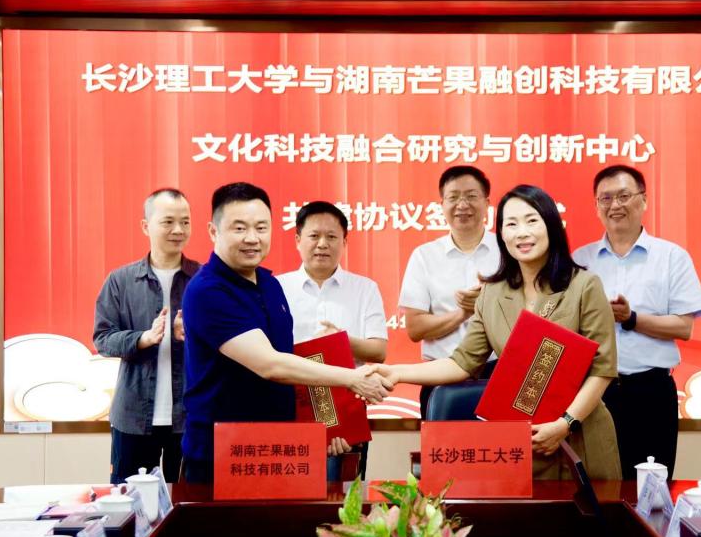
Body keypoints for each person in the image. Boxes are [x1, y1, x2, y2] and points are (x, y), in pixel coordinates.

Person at [377, 185, 621, 480]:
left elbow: (602, 370)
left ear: (551, 225)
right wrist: (396, 372)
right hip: (523, 441)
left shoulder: (584, 285)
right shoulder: (492, 294)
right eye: (511, 224)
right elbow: (462, 363)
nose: (522, 233)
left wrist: (565, 423)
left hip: (580, 436)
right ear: (501, 234)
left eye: (532, 221)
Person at [180, 182, 390, 483]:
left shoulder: (269, 284)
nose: (252, 238)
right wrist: (353, 378)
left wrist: (326, 427)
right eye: (239, 228)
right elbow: (271, 365)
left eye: (261, 227)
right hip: (224, 455)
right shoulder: (208, 291)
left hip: (277, 450)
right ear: (214, 231)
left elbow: (290, 364)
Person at [573, 164, 701, 481]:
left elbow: (684, 327)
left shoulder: (671, 257)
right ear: (596, 206)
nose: (615, 206)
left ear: (644, 200)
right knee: (597, 485)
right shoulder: (580, 260)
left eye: (623, 196)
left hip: (651, 391)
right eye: (606, 198)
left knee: (651, 488)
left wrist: (630, 319)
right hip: (595, 393)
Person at [93, 188, 199, 484]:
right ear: (145, 226)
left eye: (185, 222)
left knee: (189, 502)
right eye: (168, 222)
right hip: (133, 417)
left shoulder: (203, 280)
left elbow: (222, 344)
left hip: (189, 417)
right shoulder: (121, 280)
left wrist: (191, 337)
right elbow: (103, 339)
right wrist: (144, 338)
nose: (178, 230)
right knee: (132, 501)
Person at [398, 167, 501, 416]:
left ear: (487, 203)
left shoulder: (507, 250)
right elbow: (415, 328)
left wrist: (488, 304)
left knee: (502, 443)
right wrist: (463, 314)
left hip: (499, 376)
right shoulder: (424, 256)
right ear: (441, 205)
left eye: (471, 196)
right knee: (443, 443)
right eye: (453, 197)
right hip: (440, 378)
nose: (462, 205)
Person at [277, 201, 388, 365]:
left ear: (344, 243)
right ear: (298, 241)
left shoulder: (365, 288)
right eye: (314, 236)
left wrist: (340, 340)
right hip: (290, 380)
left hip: (349, 380)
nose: (322, 244)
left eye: (331, 237)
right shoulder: (277, 287)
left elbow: (378, 352)